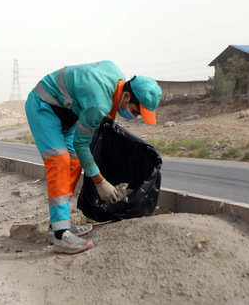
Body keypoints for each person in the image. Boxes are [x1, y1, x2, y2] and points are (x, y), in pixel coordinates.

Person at [25, 61, 162, 254]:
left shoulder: (117, 80)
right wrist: (100, 182)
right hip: (44, 106)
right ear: (126, 95)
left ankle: (56, 225)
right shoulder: (99, 104)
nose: (136, 117)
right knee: (60, 162)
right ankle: (60, 235)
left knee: (73, 163)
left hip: (68, 112)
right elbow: (82, 143)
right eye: (136, 111)